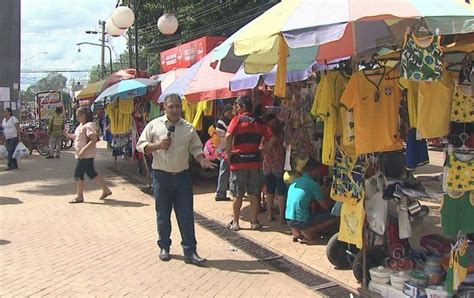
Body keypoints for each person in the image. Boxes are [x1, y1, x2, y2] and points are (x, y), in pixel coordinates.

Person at [136, 94, 215, 266]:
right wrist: (157, 146)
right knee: (163, 215)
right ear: (165, 107)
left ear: (181, 107)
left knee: (186, 215)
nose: (174, 110)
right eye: (171, 106)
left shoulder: (188, 128)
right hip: (161, 177)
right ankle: (164, 247)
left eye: (177, 106)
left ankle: (190, 252)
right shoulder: (154, 125)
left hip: (182, 178)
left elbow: (196, 148)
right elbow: (140, 145)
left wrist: (202, 160)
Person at [225, 96, 276, 231]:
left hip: (238, 162)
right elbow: (272, 138)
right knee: (254, 194)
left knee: (238, 194)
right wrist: (264, 151)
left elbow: (228, 136)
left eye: (236, 106)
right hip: (254, 162)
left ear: (241, 107)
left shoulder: (237, 120)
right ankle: (254, 222)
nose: (235, 109)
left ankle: (235, 223)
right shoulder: (259, 122)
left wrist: (228, 152)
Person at [65, 107, 112, 204]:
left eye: (79, 116)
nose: (77, 118)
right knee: (91, 173)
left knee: (78, 173)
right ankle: (106, 190)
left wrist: (83, 150)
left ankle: (79, 196)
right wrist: (67, 135)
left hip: (86, 155)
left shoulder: (89, 125)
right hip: (83, 154)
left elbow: (94, 139)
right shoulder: (81, 125)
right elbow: (77, 137)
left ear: (84, 115)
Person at [285, 158, 335, 242]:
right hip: (302, 220)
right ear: (314, 170)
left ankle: (298, 232)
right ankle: (309, 230)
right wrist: (326, 193)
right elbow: (325, 207)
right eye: (319, 171)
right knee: (334, 217)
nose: (319, 174)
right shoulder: (314, 185)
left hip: (289, 218)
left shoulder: (295, 181)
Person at [262, 114, 287, 224]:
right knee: (281, 191)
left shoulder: (266, 137)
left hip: (267, 166)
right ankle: (282, 216)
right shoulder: (281, 137)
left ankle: (270, 214)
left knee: (270, 190)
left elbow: (263, 150)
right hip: (279, 166)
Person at [215, 104, 234, 201]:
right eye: (230, 112)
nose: (231, 114)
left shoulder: (230, 121)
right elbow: (224, 135)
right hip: (224, 149)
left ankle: (229, 191)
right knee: (224, 170)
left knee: (229, 171)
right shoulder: (221, 122)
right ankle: (220, 193)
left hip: (229, 148)